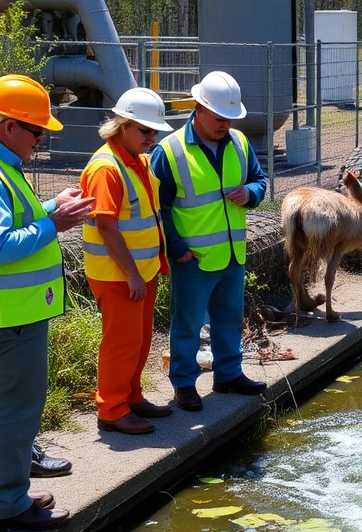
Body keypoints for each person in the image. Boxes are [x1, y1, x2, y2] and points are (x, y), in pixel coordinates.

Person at [0, 74, 93, 532]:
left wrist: (49, 207)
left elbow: (8, 223)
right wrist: (57, 224)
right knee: (17, 405)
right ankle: (8, 505)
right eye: (36, 130)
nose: (41, 139)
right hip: (10, 314)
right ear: (9, 126)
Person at [150, 70, 268, 411]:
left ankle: (228, 373)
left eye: (231, 119)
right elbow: (160, 208)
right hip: (193, 258)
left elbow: (259, 180)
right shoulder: (169, 151)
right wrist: (177, 250)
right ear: (198, 108)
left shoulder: (240, 143)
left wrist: (251, 193)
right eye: (219, 118)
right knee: (187, 324)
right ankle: (184, 384)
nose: (225, 125)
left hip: (233, 254)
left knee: (229, 318)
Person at [81, 87, 174, 435]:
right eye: (145, 130)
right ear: (122, 125)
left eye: (154, 131)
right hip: (118, 274)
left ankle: (131, 396)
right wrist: (133, 274)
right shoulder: (107, 168)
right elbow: (106, 226)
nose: (152, 138)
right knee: (121, 342)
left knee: (139, 339)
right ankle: (112, 409)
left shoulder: (137, 159)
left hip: (139, 271)